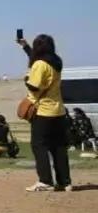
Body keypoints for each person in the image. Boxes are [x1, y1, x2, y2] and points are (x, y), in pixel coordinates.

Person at [18, 33, 71, 192]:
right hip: (58, 111)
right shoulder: (56, 62)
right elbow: (37, 60)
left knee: (39, 145)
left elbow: (34, 86)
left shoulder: (39, 64)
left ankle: (45, 181)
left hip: (43, 111)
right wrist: (25, 47)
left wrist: (26, 79)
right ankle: (65, 182)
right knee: (59, 147)